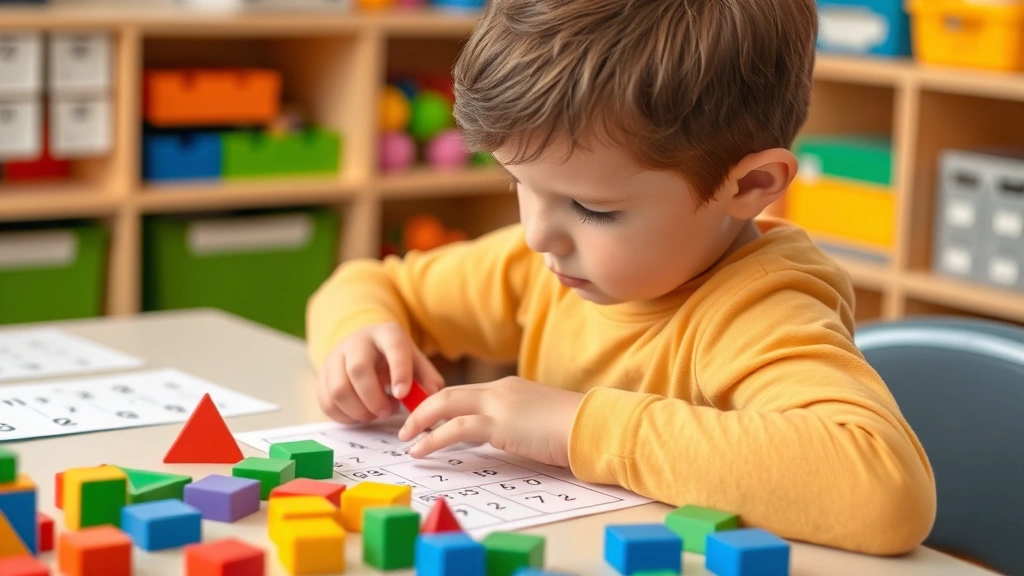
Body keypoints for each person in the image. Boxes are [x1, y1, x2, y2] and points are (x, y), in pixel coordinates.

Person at [307, 0, 936, 555]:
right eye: (519, 184)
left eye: (592, 209)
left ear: (748, 186)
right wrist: (362, 336)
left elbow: (884, 489)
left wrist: (574, 426)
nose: (537, 235)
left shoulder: (762, 307)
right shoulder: (545, 264)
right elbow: (369, 284)